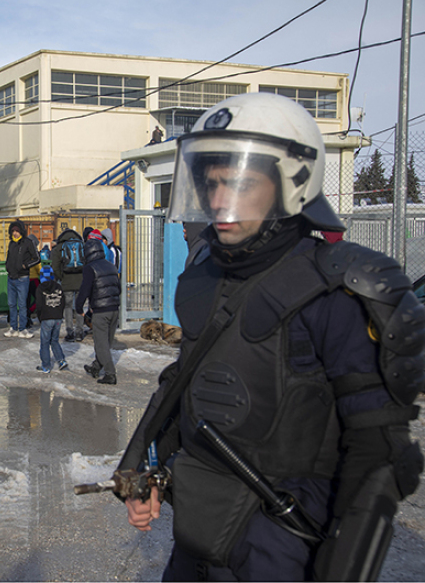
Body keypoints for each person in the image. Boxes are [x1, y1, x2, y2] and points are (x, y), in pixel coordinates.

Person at [121, 93, 423, 581]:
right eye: (211, 183)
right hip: (197, 537)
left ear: (292, 181)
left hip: (283, 547)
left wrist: (341, 571)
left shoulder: (336, 291)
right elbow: (182, 386)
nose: (219, 201)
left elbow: (382, 455)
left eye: (240, 183)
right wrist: (143, 474)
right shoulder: (204, 278)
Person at [76, 235, 120, 384]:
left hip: (101, 311)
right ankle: (96, 367)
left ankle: (110, 374)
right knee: (106, 342)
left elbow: (85, 290)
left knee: (101, 345)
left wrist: (79, 306)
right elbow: (118, 288)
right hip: (114, 309)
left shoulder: (90, 268)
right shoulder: (111, 265)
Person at [3, 220, 40, 339]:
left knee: (23, 305)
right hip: (11, 278)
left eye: (17, 231)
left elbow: (36, 258)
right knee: (12, 304)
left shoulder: (28, 243)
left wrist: (25, 266)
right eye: (13, 231)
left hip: (23, 278)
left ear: (21, 232)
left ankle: (23, 329)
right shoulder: (11, 244)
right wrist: (8, 266)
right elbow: (8, 257)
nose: (15, 233)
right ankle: (13, 328)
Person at [51, 228, 85, 342]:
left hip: (66, 282)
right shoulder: (82, 245)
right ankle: (80, 332)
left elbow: (55, 266)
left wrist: (61, 277)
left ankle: (70, 332)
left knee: (68, 307)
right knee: (80, 306)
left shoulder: (59, 247)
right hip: (81, 281)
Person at [34, 265, 67, 374]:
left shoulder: (40, 288)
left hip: (46, 317)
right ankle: (61, 360)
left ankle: (46, 366)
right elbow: (63, 302)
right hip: (58, 317)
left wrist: (40, 317)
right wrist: (60, 314)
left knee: (45, 342)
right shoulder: (58, 286)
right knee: (54, 340)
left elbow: (38, 305)